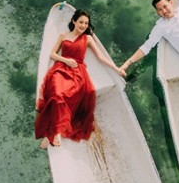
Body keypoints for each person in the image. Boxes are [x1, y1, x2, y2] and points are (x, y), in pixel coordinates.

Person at [35, 9, 126, 148]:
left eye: (86, 23)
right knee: (56, 94)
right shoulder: (63, 36)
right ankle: (55, 132)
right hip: (60, 68)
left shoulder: (87, 38)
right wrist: (65, 60)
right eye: (81, 22)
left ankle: (54, 133)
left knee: (66, 96)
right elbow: (52, 54)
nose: (83, 26)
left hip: (77, 72)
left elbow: (101, 57)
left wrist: (117, 68)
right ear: (74, 21)